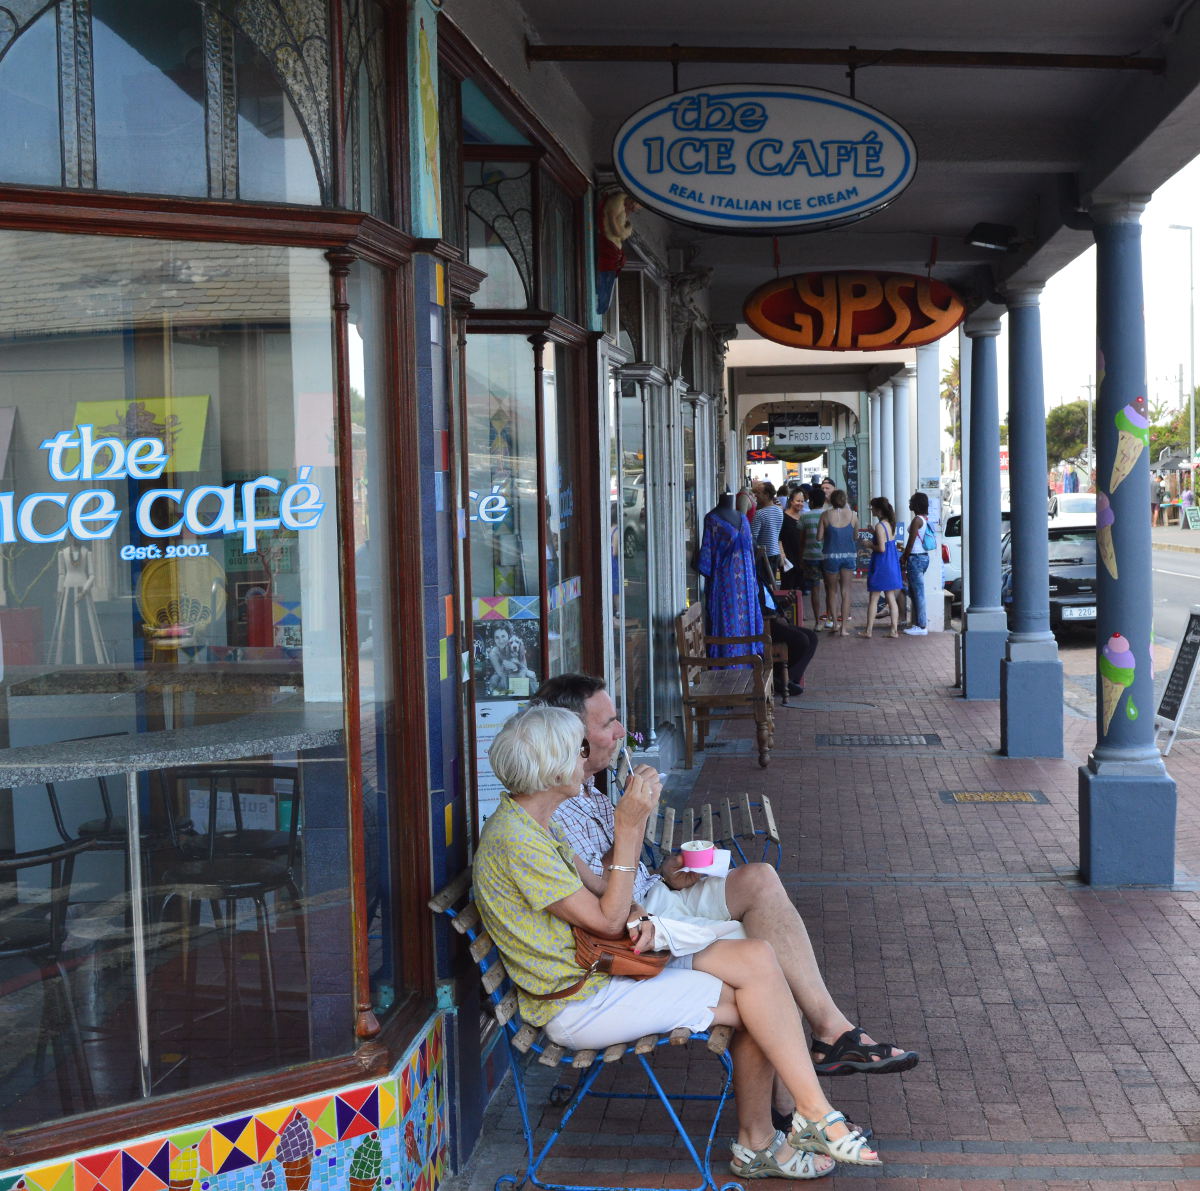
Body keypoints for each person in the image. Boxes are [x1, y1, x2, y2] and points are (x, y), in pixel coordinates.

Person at [475, 706, 885, 1177]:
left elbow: (605, 896)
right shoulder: (517, 841)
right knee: (762, 997)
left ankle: (786, 1128)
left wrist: (641, 916)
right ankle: (790, 1127)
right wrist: (630, 828)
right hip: (580, 1002)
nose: (582, 759)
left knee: (759, 959)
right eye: (574, 751)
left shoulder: (535, 824)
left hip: (606, 968)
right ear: (549, 770)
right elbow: (606, 922)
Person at [533, 675, 919, 1115]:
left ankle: (830, 1031)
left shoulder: (585, 788)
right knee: (765, 960)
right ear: (573, 738)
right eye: (610, 723)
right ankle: (794, 1109)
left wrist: (664, 868)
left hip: (655, 895)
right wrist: (632, 821)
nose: (621, 732)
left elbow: (620, 869)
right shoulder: (547, 812)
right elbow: (609, 906)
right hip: (636, 928)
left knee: (759, 878)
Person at [756, 547, 818, 694]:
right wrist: (776, 617)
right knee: (801, 640)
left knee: (812, 638)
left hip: (775, 618)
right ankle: (783, 679)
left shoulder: (759, 577)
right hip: (766, 624)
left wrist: (783, 604)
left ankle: (788, 679)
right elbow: (757, 608)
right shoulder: (750, 581)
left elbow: (768, 602)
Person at [817, 489, 858, 636]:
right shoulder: (853, 515)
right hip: (849, 555)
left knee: (832, 591)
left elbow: (819, 537)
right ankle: (844, 628)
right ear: (845, 499)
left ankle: (834, 623)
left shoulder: (825, 515)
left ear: (831, 501)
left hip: (830, 556)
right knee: (846, 591)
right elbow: (856, 535)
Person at [859, 498, 902, 639]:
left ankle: (868, 631)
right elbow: (886, 541)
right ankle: (894, 630)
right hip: (891, 564)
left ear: (879, 510)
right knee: (891, 598)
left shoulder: (879, 526)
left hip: (881, 565)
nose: (871, 510)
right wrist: (873, 533)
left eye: (873, 508)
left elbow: (881, 548)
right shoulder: (890, 524)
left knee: (874, 598)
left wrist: (869, 544)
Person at [897, 492, 933, 636]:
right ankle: (918, 623)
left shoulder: (917, 520)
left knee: (918, 593)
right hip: (923, 557)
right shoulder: (924, 519)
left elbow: (911, 542)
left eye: (911, 501)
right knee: (914, 591)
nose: (909, 503)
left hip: (915, 558)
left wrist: (904, 557)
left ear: (916, 504)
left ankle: (922, 625)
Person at [798, 487, 827, 628]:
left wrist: (800, 558)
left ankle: (817, 621)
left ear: (812, 501)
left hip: (810, 557)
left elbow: (801, 540)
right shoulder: (828, 515)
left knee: (815, 589)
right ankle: (830, 619)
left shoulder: (804, 517)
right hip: (827, 556)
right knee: (830, 589)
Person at [778, 488, 808, 625]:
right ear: (791, 501)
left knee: (799, 587)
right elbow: (778, 539)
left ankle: (799, 613)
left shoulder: (804, 518)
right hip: (788, 558)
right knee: (787, 587)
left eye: (802, 501)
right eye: (797, 501)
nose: (800, 504)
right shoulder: (783, 517)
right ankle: (784, 613)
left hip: (801, 558)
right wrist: (782, 554)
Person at [751, 482, 784, 580]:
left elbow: (753, 538)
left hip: (763, 555)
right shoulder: (779, 511)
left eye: (759, 493)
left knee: (762, 584)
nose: (756, 495)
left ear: (767, 495)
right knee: (771, 582)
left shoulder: (759, 514)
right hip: (775, 552)